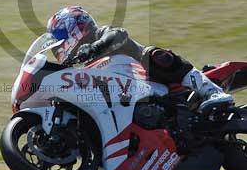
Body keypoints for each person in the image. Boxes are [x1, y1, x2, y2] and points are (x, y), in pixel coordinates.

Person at [46, 6, 233, 116]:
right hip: (132, 101)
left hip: (153, 83)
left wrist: (95, 47)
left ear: (76, 26)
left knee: (152, 55)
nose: (58, 45)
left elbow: (119, 33)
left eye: (60, 37)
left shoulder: (100, 35)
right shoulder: (83, 65)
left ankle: (211, 92)